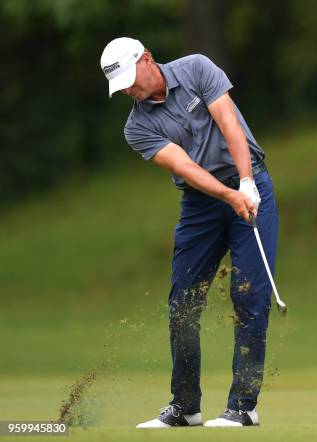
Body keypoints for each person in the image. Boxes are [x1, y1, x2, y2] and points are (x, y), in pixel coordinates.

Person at [100, 37, 279, 428]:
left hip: (251, 185)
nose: (131, 89)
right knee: (182, 304)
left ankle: (243, 407)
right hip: (201, 204)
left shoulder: (196, 68)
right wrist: (227, 195)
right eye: (123, 87)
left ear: (147, 59)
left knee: (250, 295)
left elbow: (228, 121)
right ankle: (185, 407)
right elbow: (184, 167)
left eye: (132, 78)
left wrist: (245, 183)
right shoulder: (137, 127)